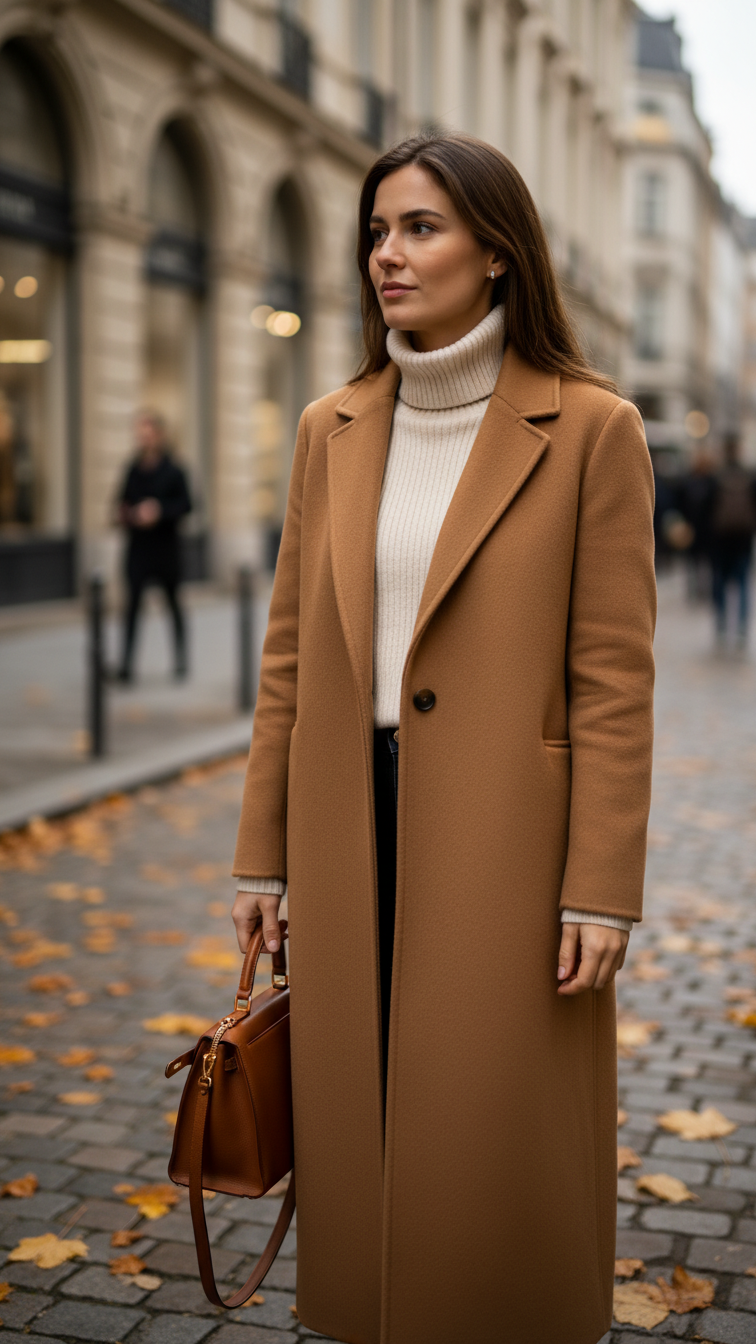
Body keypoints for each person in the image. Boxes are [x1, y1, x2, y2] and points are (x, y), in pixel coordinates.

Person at [230, 134, 656, 1344]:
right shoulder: (334, 425)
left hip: (505, 843)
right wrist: (262, 856)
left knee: (492, 1125)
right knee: (360, 1110)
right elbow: (291, 659)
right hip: (346, 823)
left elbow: (614, 682)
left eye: (419, 227)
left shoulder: (590, 430)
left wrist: (603, 886)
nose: (386, 255)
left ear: (498, 251)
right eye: (377, 230)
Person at [115, 410, 191, 682]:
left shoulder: (174, 470)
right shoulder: (133, 469)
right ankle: (126, 665)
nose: (142, 440)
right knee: (132, 608)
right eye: (139, 435)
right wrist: (126, 514)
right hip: (138, 549)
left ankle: (181, 660)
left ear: (159, 435)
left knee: (173, 605)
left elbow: (188, 505)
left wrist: (159, 511)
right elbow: (120, 502)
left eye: (147, 434)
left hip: (165, 550)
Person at [707, 433, 756, 648]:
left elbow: (707, 509)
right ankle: (742, 629)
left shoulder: (716, 476)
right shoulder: (749, 475)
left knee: (719, 582)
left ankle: (721, 624)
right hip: (743, 539)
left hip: (720, 540)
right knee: (743, 583)